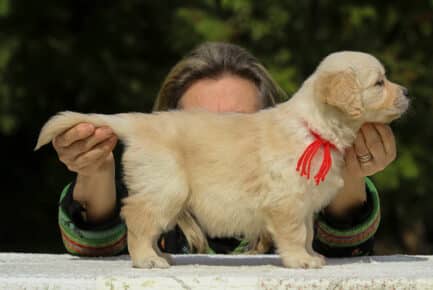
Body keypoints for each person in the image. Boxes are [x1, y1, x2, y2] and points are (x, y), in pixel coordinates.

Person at [54, 42, 395, 257]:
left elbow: (347, 246)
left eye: (235, 124)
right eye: (201, 125)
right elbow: (97, 244)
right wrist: (94, 172)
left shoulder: (300, 163)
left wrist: (350, 171)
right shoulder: (157, 168)